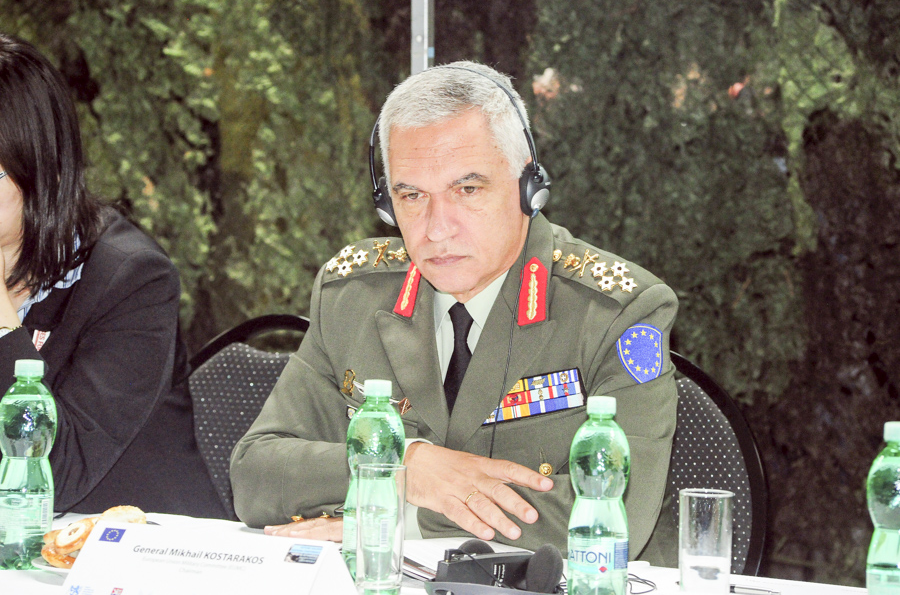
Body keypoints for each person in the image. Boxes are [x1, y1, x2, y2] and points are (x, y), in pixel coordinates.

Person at [231, 61, 678, 559]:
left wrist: (393, 514)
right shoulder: (351, 297)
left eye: (467, 189)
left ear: (528, 186)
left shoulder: (617, 312)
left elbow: (616, 515)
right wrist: (407, 466)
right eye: (411, 195)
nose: (437, 228)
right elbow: (256, 474)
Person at [0, 32, 225, 518]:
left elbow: (50, 475)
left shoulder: (133, 281)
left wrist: (2, 323)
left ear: (42, 167)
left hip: (137, 548)